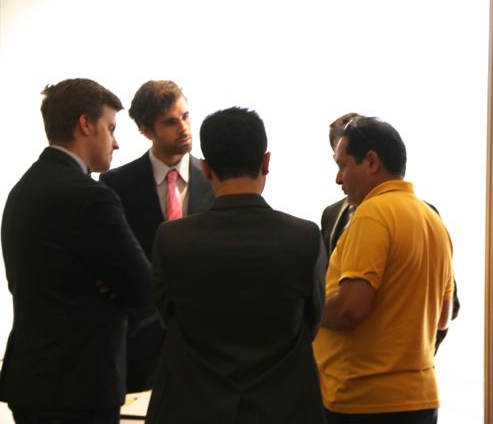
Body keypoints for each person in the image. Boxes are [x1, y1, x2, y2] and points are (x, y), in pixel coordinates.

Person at [145, 107, 327, 424]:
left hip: (192, 405)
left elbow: (166, 315)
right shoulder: (305, 237)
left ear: (206, 169)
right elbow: (312, 321)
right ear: (265, 162)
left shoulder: (172, 238)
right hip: (283, 406)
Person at [0, 78, 151, 424]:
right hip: (81, 387)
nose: (116, 143)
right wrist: (114, 282)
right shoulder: (91, 197)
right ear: (85, 124)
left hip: (31, 382)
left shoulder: (21, 190)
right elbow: (142, 286)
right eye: (110, 128)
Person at [313, 116, 454, 424]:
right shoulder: (432, 221)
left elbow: (351, 309)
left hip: (364, 400)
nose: (338, 179)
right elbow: (443, 317)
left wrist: (305, 310)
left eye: (343, 165)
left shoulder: (372, 214)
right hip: (420, 398)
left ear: (372, 162)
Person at [99, 80, 215, 392]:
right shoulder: (116, 185)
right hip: (140, 344)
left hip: (208, 342)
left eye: (186, 116)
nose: (184, 128)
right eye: (170, 122)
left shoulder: (216, 179)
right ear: (146, 130)